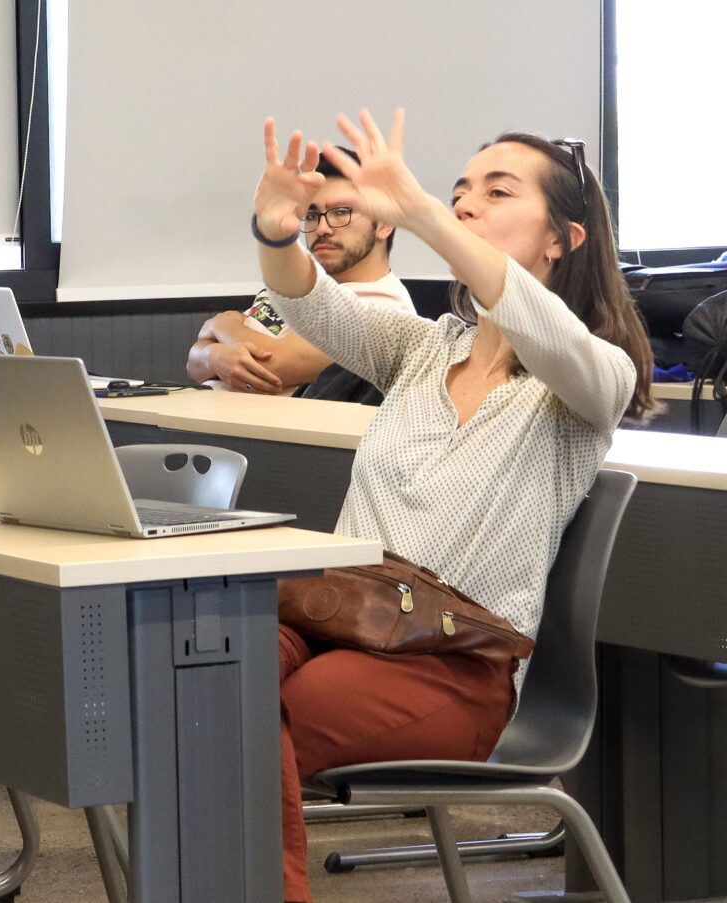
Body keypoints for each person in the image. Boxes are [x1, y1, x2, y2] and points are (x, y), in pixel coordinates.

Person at [251, 113, 652, 902]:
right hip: (333, 617)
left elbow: (556, 338)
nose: (465, 202)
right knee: (206, 674)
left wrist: (424, 212)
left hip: (453, 667)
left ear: (561, 239)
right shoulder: (424, 345)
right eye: (460, 190)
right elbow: (310, 304)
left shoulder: (590, 381)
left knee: (252, 721)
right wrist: (274, 231)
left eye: (496, 192)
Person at [193, 146, 415, 398]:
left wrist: (222, 324)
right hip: (203, 415)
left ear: (385, 223)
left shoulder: (384, 306)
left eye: (341, 212)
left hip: (253, 433)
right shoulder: (300, 286)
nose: (322, 228)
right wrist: (213, 357)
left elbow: (269, 366)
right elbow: (193, 363)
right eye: (311, 215)